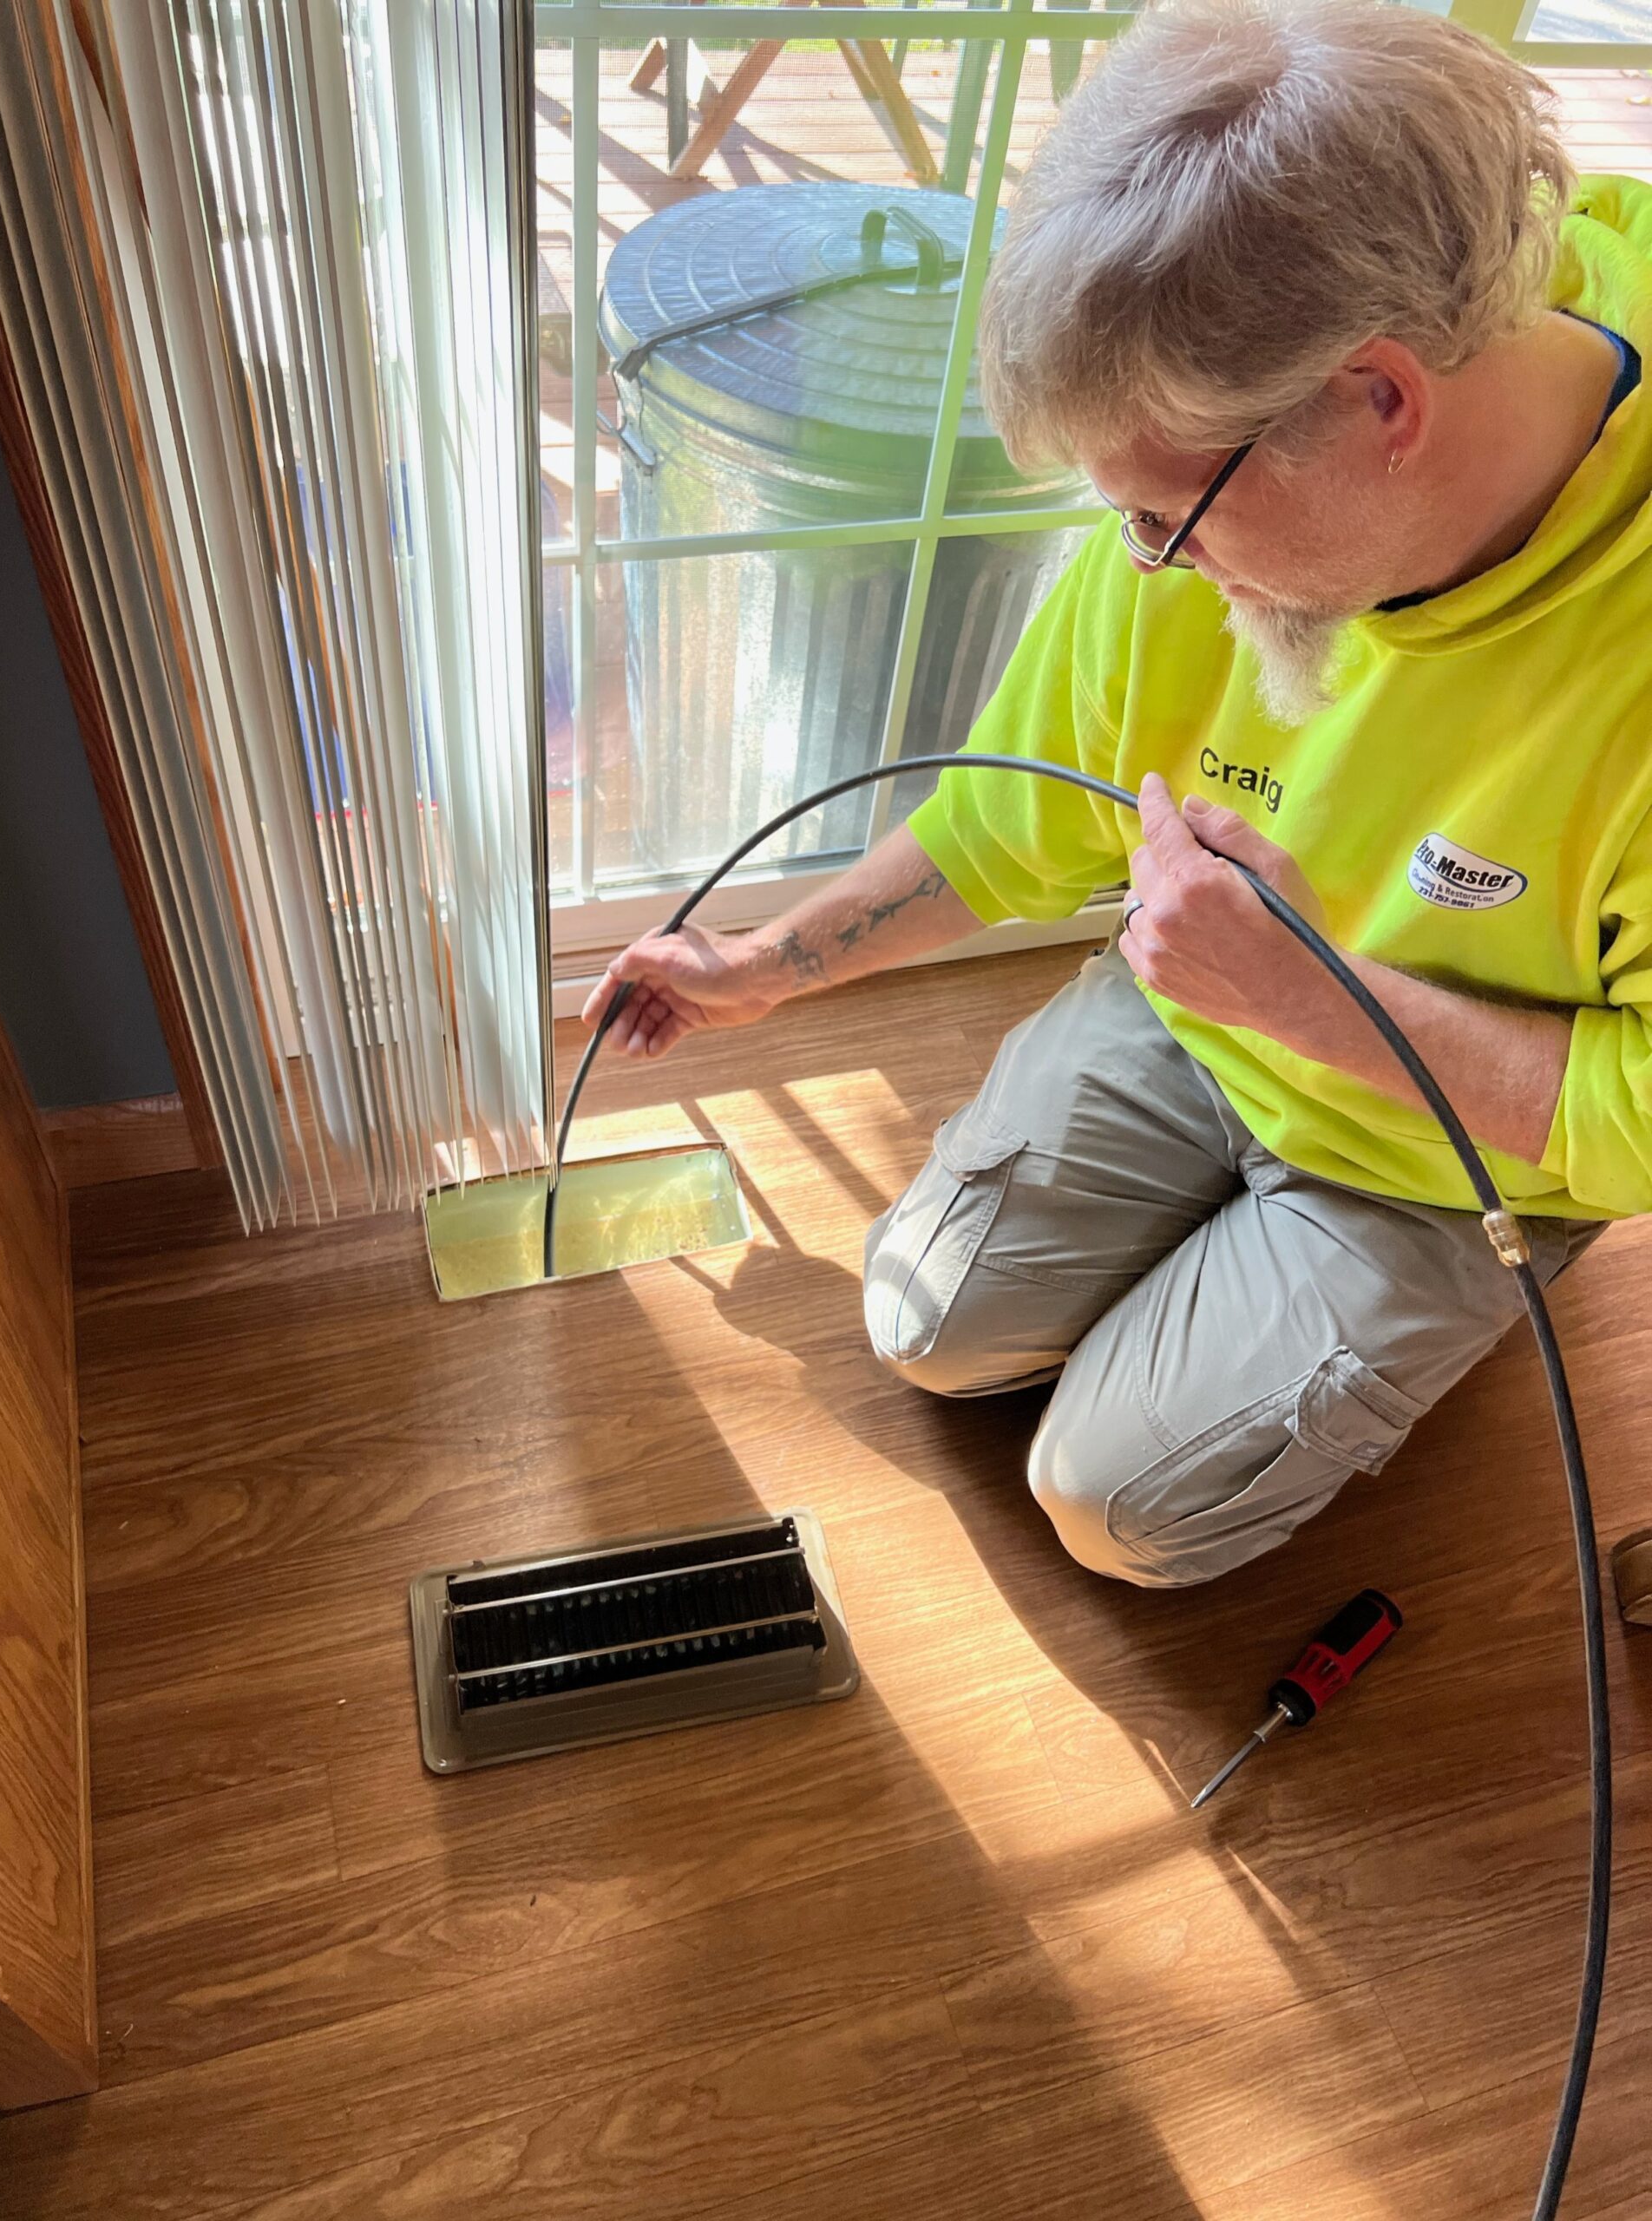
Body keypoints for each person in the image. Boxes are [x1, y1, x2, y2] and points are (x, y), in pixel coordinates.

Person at [584, 0, 1652, 1589]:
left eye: (1166, 517)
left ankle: (1491, 1275)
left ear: (1379, 400)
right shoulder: (1219, 472)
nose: (1149, 562)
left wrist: (1316, 1000)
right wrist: (766, 965)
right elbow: (1014, 819)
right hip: (1210, 1002)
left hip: (1455, 1158)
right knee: (925, 1323)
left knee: (1120, 1511)